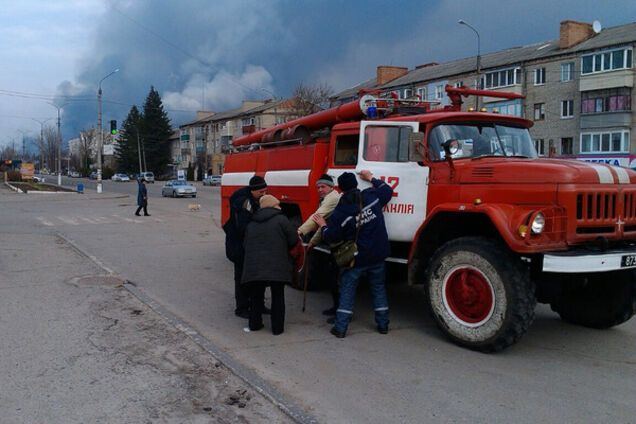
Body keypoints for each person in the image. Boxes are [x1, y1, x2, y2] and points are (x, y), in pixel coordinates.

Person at [312, 170, 393, 338]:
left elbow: (331, 237)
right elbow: (387, 190)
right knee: (378, 289)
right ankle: (383, 325)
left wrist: (322, 225)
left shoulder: (341, 211)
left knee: (348, 291)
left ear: (340, 189)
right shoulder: (371, 196)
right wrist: (371, 178)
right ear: (357, 185)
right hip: (378, 254)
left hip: (357, 259)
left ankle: (340, 329)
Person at [241, 194, 298, 335]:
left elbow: (245, 244)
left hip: (254, 266)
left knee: (256, 295)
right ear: (273, 205)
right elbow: (293, 239)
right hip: (276, 265)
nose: (280, 206)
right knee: (278, 296)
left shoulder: (252, 222)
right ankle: (277, 329)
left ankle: (254, 324)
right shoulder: (282, 220)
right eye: (277, 204)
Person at [223, 175, 269, 319]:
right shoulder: (244, 203)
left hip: (248, 246)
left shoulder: (253, 200)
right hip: (239, 247)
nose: (264, 195)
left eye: (266, 191)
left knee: (257, 277)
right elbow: (244, 227)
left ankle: (258, 305)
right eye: (261, 192)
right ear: (253, 191)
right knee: (242, 277)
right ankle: (242, 308)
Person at [297, 174, 341, 316]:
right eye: (318, 187)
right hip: (333, 239)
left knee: (337, 280)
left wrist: (300, 231)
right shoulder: (326, 199)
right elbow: (323, 224)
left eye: (323, 186)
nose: (320, 189)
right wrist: (312, 242)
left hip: (339, 242)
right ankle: (337, 308)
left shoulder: (332, 199)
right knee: (334, 278)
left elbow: (316, 218)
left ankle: (340, 310)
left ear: (331, 187)